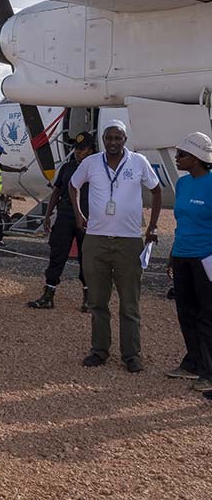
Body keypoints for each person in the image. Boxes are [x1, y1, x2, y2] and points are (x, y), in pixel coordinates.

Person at [70, 120, 161, 373]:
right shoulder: (90, 163)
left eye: (118, 138)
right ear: (103, 140)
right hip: (96, 240)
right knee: (98, 302)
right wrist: (78, 214)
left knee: (129, 303)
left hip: (129, 241)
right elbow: (73, 185)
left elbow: (156, 191)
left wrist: (152, 227)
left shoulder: (138, 162)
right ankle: (99, 351)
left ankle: (131, 355)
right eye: (108, 138)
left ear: (125, 139)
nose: (113, 142)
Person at [166, 132, 212, 393]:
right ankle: (193, 363)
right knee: (186, 312)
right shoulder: (183, 185)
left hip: (206, 258)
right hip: (183, 255)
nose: (178, 158)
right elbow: (180, 223)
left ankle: (209, 370)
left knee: (207, 315)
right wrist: (173, 254)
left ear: (196, 158)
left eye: (182, 155)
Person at [29, 132, 95, 311]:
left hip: (88, 218)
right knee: (57, 255)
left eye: (82, 149)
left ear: (92, 150)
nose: (78, 153)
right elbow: (57, 191)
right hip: (65, 215)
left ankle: (89, 298)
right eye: (76, 149)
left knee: (87, 258)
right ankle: (48, 295)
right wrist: (48, 214)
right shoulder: (67, 167)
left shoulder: (98, 168)